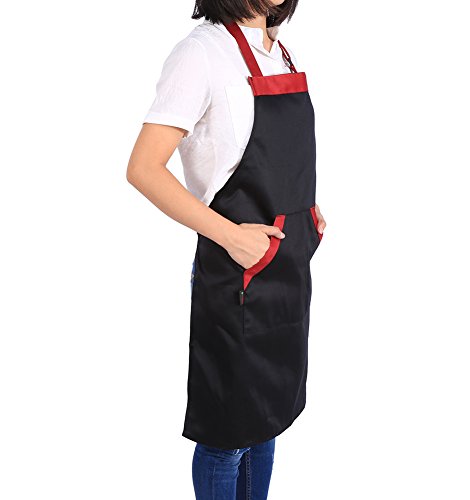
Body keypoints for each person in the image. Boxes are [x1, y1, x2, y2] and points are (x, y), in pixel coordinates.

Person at [126, 0, 327, 498]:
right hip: (237, 273)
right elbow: (144, 168)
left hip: (286, 268)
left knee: (266, 418)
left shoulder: (278, 52)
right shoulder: (201, 53)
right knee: (226, 432)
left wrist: (304, 210)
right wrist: (232, 236)